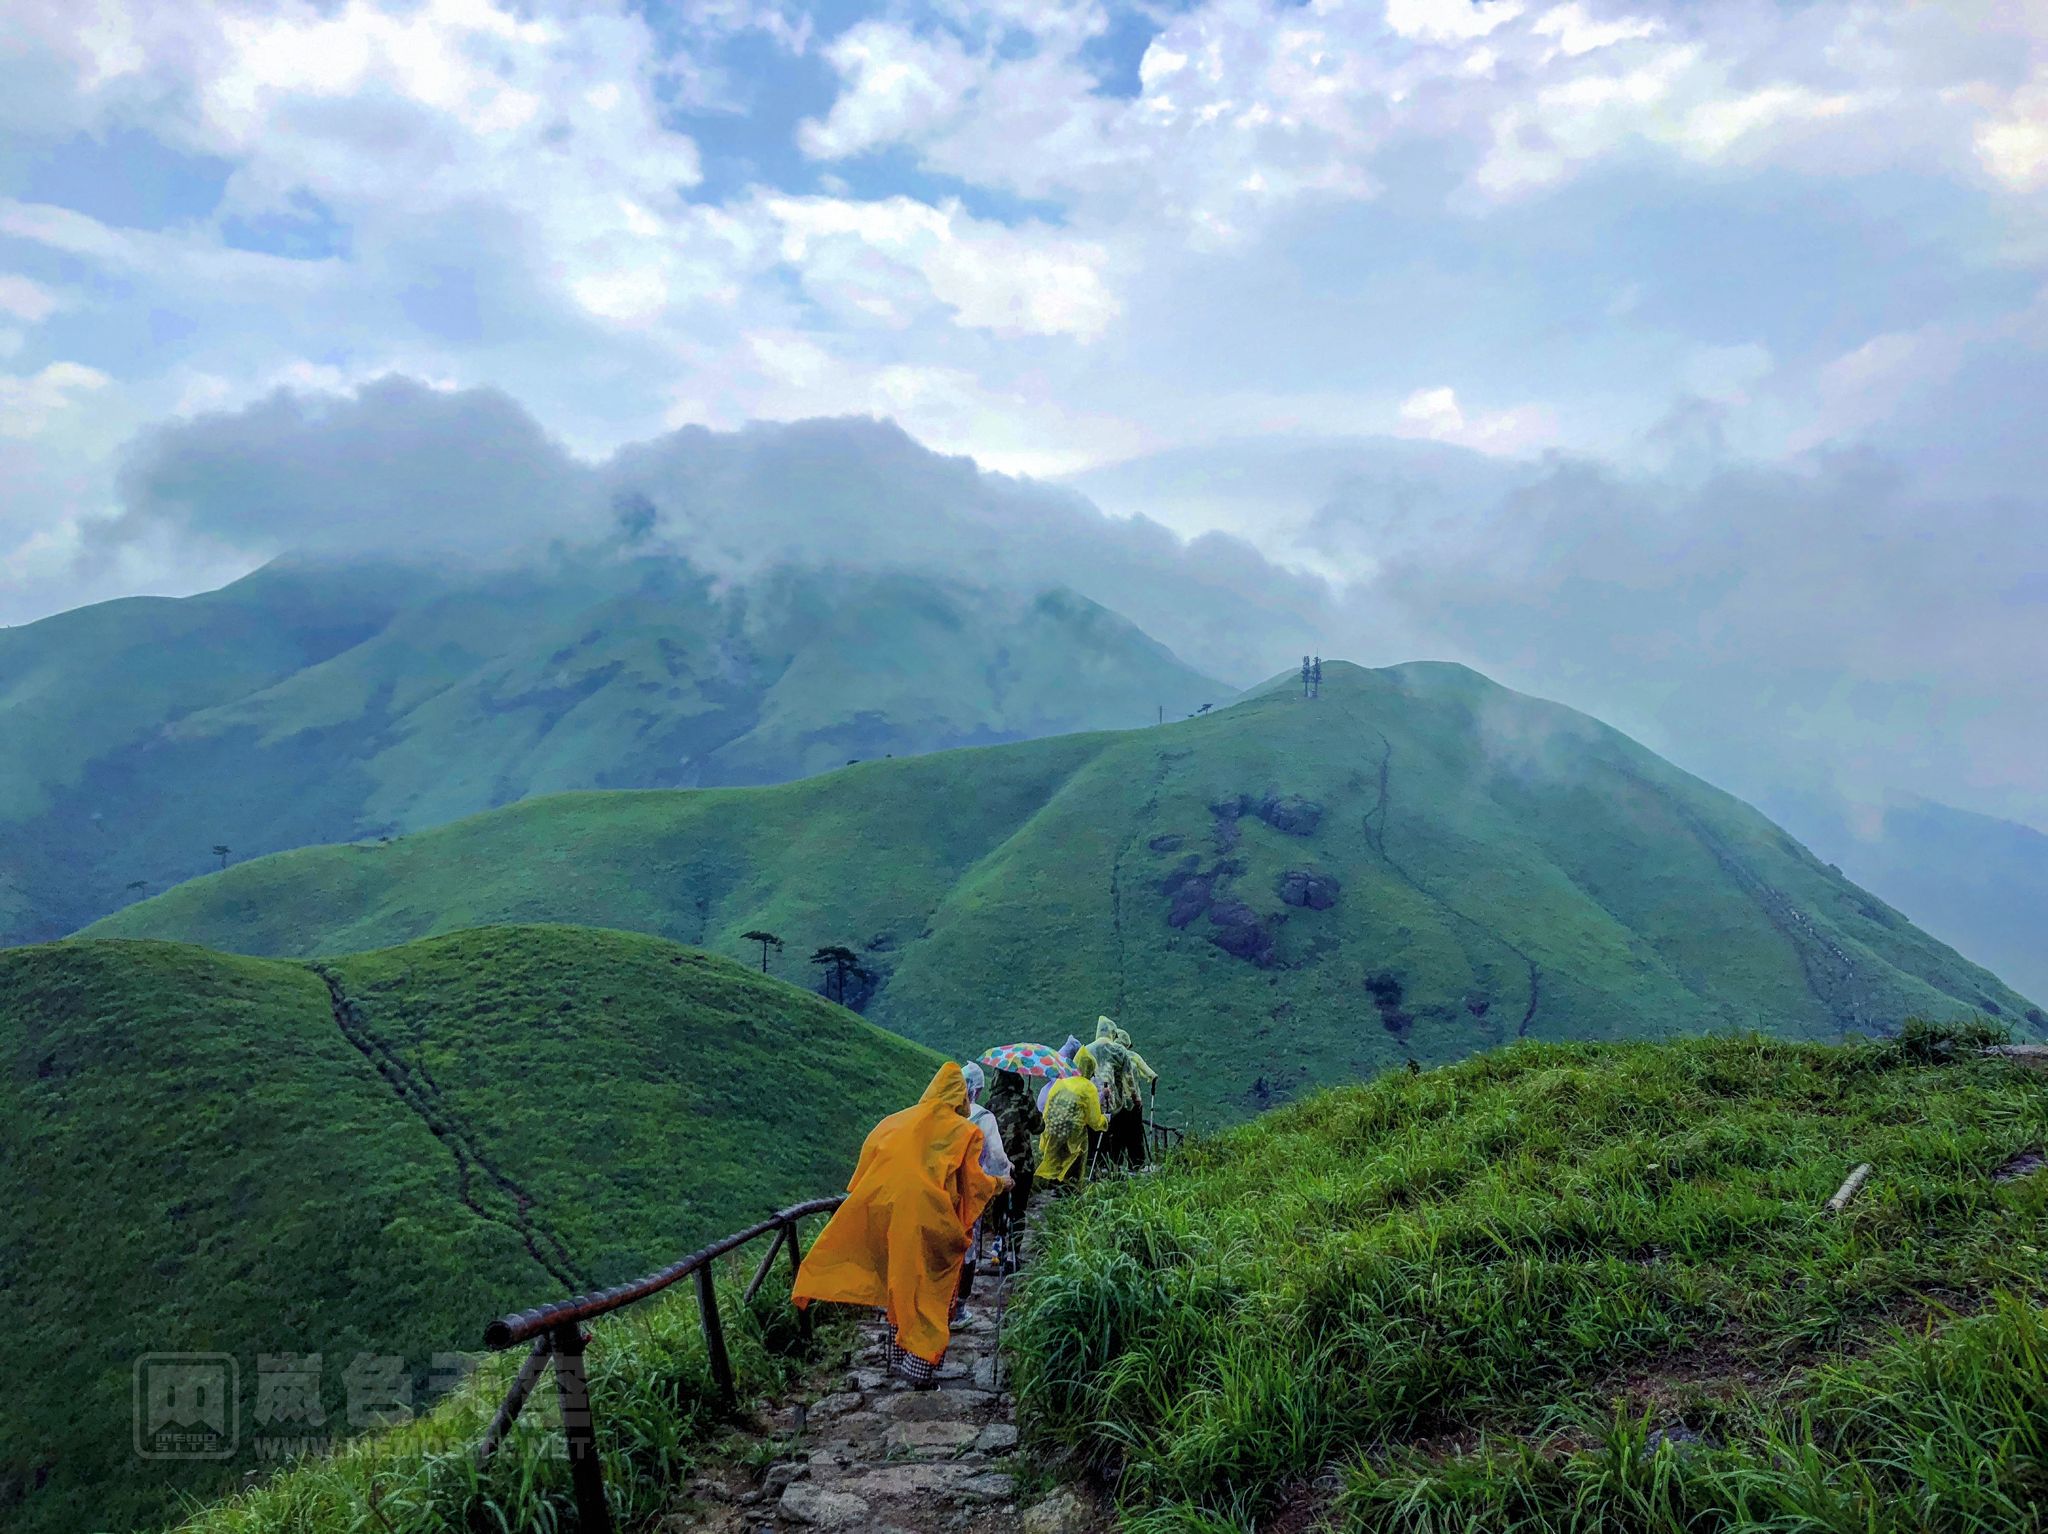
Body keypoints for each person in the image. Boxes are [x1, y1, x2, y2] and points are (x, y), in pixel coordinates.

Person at [791, 1062, 1007, 1386]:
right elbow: (972, 1185)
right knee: (930, 1293)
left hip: (883, 1212)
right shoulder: (964, 1131)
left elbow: (861, 1175)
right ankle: (919, 1370)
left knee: (898, 1285)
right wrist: (1001, 1183)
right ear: (962, 1095)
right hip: (928, 1219)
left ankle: (896, 1359)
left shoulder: (894, 1121)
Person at [958, 1063, 1011, 1293]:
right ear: (978, 1090)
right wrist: (1004, 1175)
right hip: (970, 1189)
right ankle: (959, 1307)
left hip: (937, 1187)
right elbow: (997, 1158)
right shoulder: (982, 1116)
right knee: (967, 1243)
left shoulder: (941, 1112)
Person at [984, 1067, 1042, 1272]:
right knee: (1018, 1209)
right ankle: (1014, 1256)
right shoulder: (1024, 1101)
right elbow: (1039, 1127)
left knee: (1000, 1206)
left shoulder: (990, 1104)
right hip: (1023, 1165)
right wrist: (1031, 1101)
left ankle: (998, 1248)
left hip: (997, 1167)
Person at [1087, 1015, 1154, 1170]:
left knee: (1097, 1136)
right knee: (1118, 1135)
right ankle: (1121, 1166)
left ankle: (1096, 1166)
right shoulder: (1118, 1050)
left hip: (1093, 1100)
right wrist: (1135, 1098)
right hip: (1115, 1102)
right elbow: (1128, 1078)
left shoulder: (1087, 1050)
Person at [1037, 1050, 1108, 1185]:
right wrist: (1105, 1120)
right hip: (1072, 1134)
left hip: (1052, 1129)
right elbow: (1094, 1120)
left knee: (1054, 1162)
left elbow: (1048, 1107)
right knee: (1073, 1163)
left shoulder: (1061, 1082)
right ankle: (1069, 1189)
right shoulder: (1088, 1087)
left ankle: (1048, 1186)